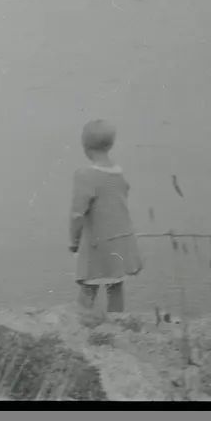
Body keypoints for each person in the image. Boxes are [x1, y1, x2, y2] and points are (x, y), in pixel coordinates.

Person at [68, 119, 143, 313]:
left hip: (97, 244)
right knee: (116, 286)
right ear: (110, 145)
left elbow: (77, 215)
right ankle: (117, 323)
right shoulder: (119, 174)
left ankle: (82, 324)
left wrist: (74, 241)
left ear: (85, 146)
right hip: (120, 240)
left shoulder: (84, 176)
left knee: (88, 288)